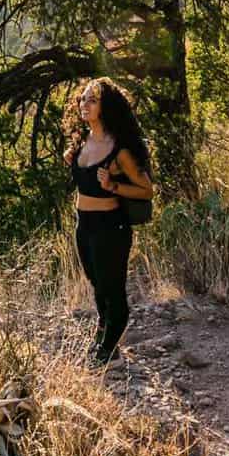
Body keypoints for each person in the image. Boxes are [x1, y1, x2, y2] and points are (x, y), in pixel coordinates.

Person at [63, 77, 154, 365]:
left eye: (92, 100)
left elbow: (147, 189)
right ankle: (104, 336)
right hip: (84, 224)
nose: (84, 105)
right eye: (82, 99)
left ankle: (109, 347)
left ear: (106, 107)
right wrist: (72, 161)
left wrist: (114, 186)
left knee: (112, 287)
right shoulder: (80, 144)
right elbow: (84, 181)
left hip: (110, 226)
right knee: (96, 284)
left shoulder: (120, 150)